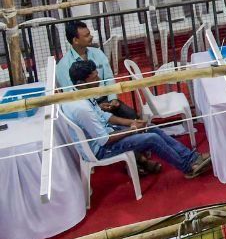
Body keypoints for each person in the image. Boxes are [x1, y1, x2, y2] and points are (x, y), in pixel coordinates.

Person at [62, 60, 211, 178]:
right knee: (152, 138)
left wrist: (132, 122)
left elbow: (104, 117)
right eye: (94, 77)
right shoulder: (81, 109)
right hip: (101, 149)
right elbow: (104, 140)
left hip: (109, 133)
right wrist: (132, 129)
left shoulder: (79, 93)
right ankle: (188, 167)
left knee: (150, 127)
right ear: (81, 82)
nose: (99, 79)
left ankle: (192, 157)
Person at [55, 19, 138, 120]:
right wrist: (95, 107)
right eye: (86, 36)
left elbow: (108, 78)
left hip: (107, 100)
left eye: (89, 34)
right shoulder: (63, 66)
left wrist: (113, 98)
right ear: (75, 40)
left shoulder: (98, 53)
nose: (91, 37)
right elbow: (72, 94)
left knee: (133, 116)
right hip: (86, 107)